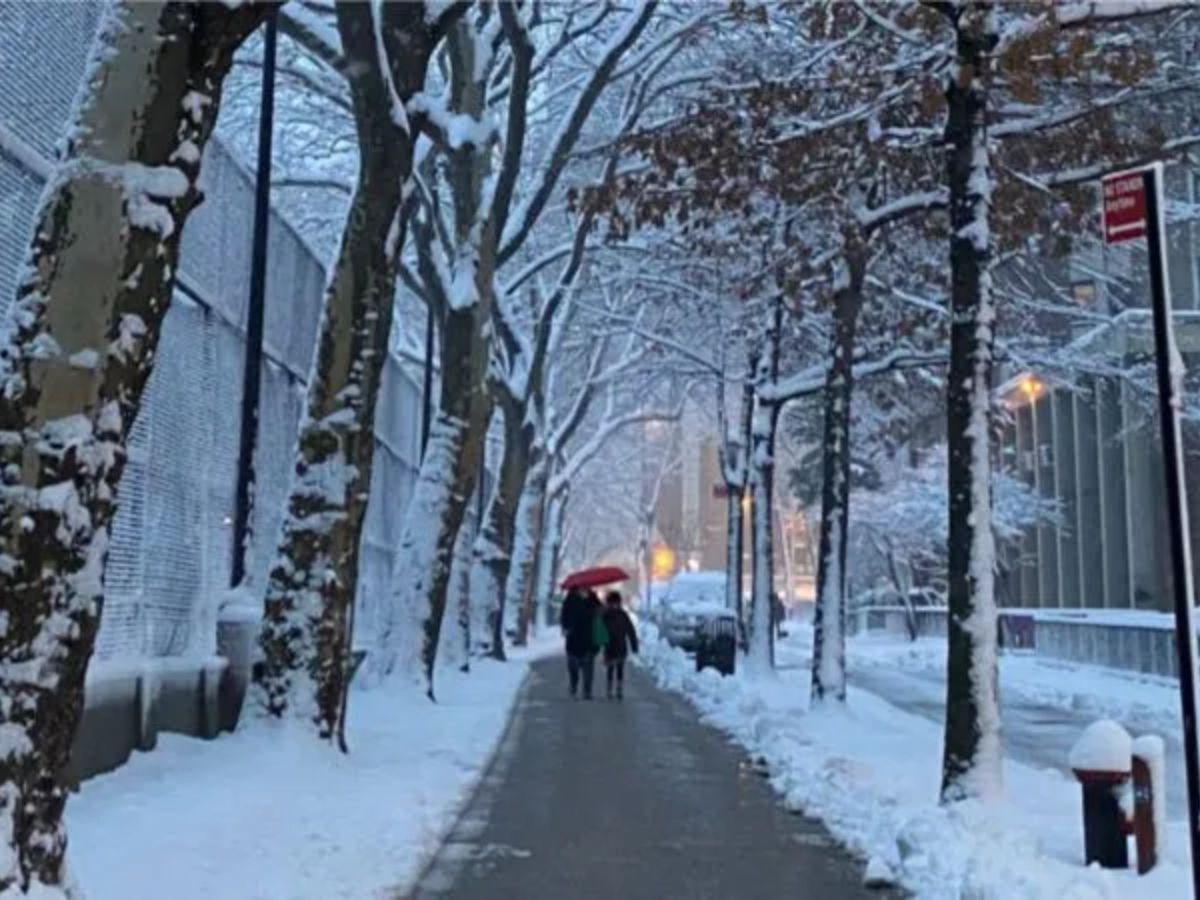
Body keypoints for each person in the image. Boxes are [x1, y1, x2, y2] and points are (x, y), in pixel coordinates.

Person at [560, 587, 602, 699]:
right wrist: (565, 627)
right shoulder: (570, 600)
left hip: (589, 639)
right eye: (581, 588)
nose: (584, 590)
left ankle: (587, 691)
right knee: (573, 667)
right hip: (573, 639)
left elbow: (600, 615)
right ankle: (573, 685)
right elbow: (564, 616)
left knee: (588, 668)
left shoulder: (594, 600)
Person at [601, 591, 639, 700]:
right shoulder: (605, 615)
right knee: (610, 669)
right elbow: (599, 631)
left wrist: (634, 644)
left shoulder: (622, 615)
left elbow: (630, 631)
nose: (613, 605)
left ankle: (618, 689)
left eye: (615, 603)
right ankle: (609, 689)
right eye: (612, 603)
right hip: (609, 646)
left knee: (620, 669)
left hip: (621, 646)